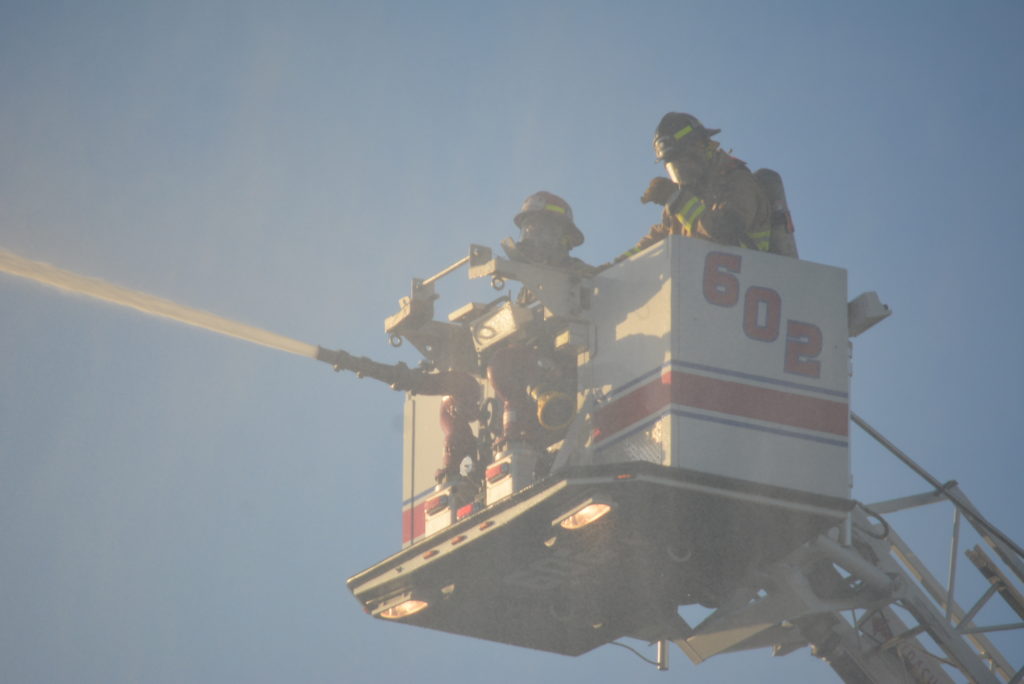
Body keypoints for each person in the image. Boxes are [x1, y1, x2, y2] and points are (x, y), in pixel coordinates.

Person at [618, 113, 774, 260]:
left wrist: (679, 200)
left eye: (683, 163)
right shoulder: (685, 199)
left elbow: (726, 233)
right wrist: (614, 267)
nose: (681, 174)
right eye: (675, 168)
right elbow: (654, 243)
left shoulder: (738, 182)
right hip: (701, 277)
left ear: (700, 147)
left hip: (750, 274)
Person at [502, 191, 597, 277]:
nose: (529, 238)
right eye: (527, 230)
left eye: (539, 230)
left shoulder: (585, 275)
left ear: (561, 237)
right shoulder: (528, 285)